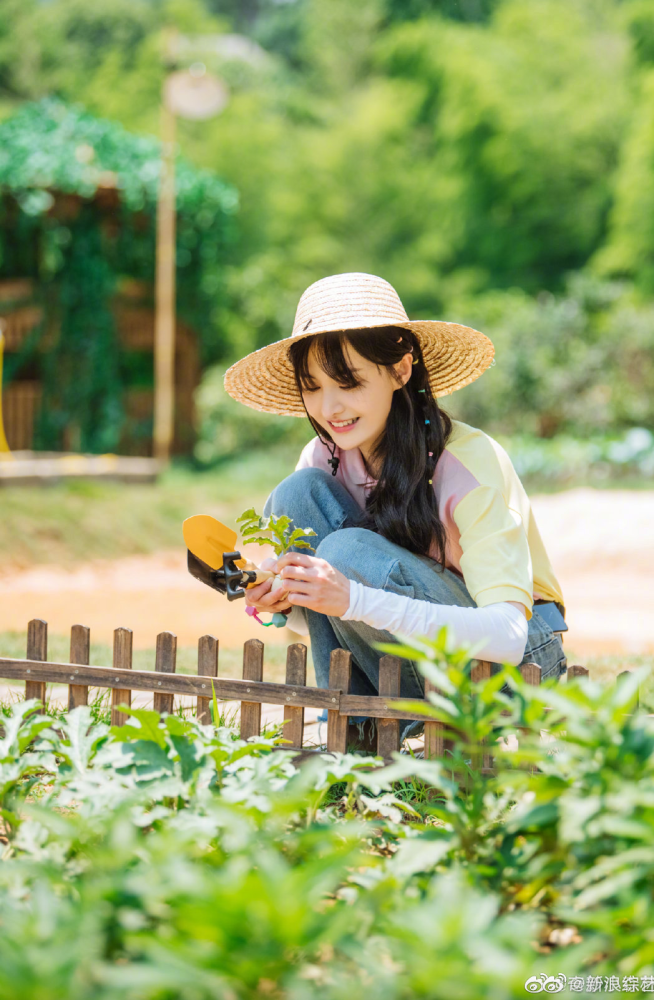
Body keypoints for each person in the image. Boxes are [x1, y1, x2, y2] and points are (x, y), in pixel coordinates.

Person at [224, 272, 566, 746]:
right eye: (312, 386)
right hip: (409, 667)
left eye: (349, 382)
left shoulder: (470, 463)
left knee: (344, 549)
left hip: (513, 668)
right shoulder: (323, 459)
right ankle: (356, 734)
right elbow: (326, 620)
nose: (330, 407)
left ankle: (434, 732)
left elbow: (507, 636)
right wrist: (280, 601)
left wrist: (353, 598)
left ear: (401, 370)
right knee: (296, 495)